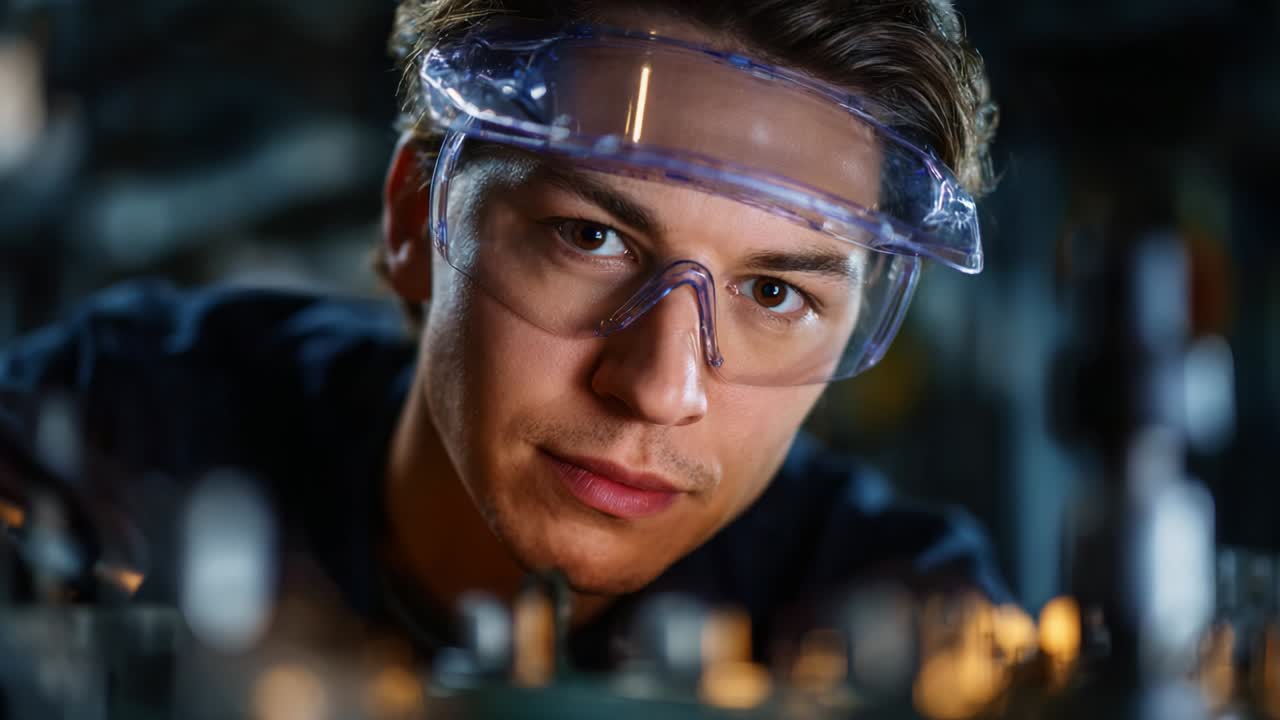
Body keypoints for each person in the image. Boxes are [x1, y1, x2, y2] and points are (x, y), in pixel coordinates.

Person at [0, 0, 1008, 667]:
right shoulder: (105, 440)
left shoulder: (906, 627)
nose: (660, 387)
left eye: (776, 296)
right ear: (411, 225)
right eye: (590, 236)